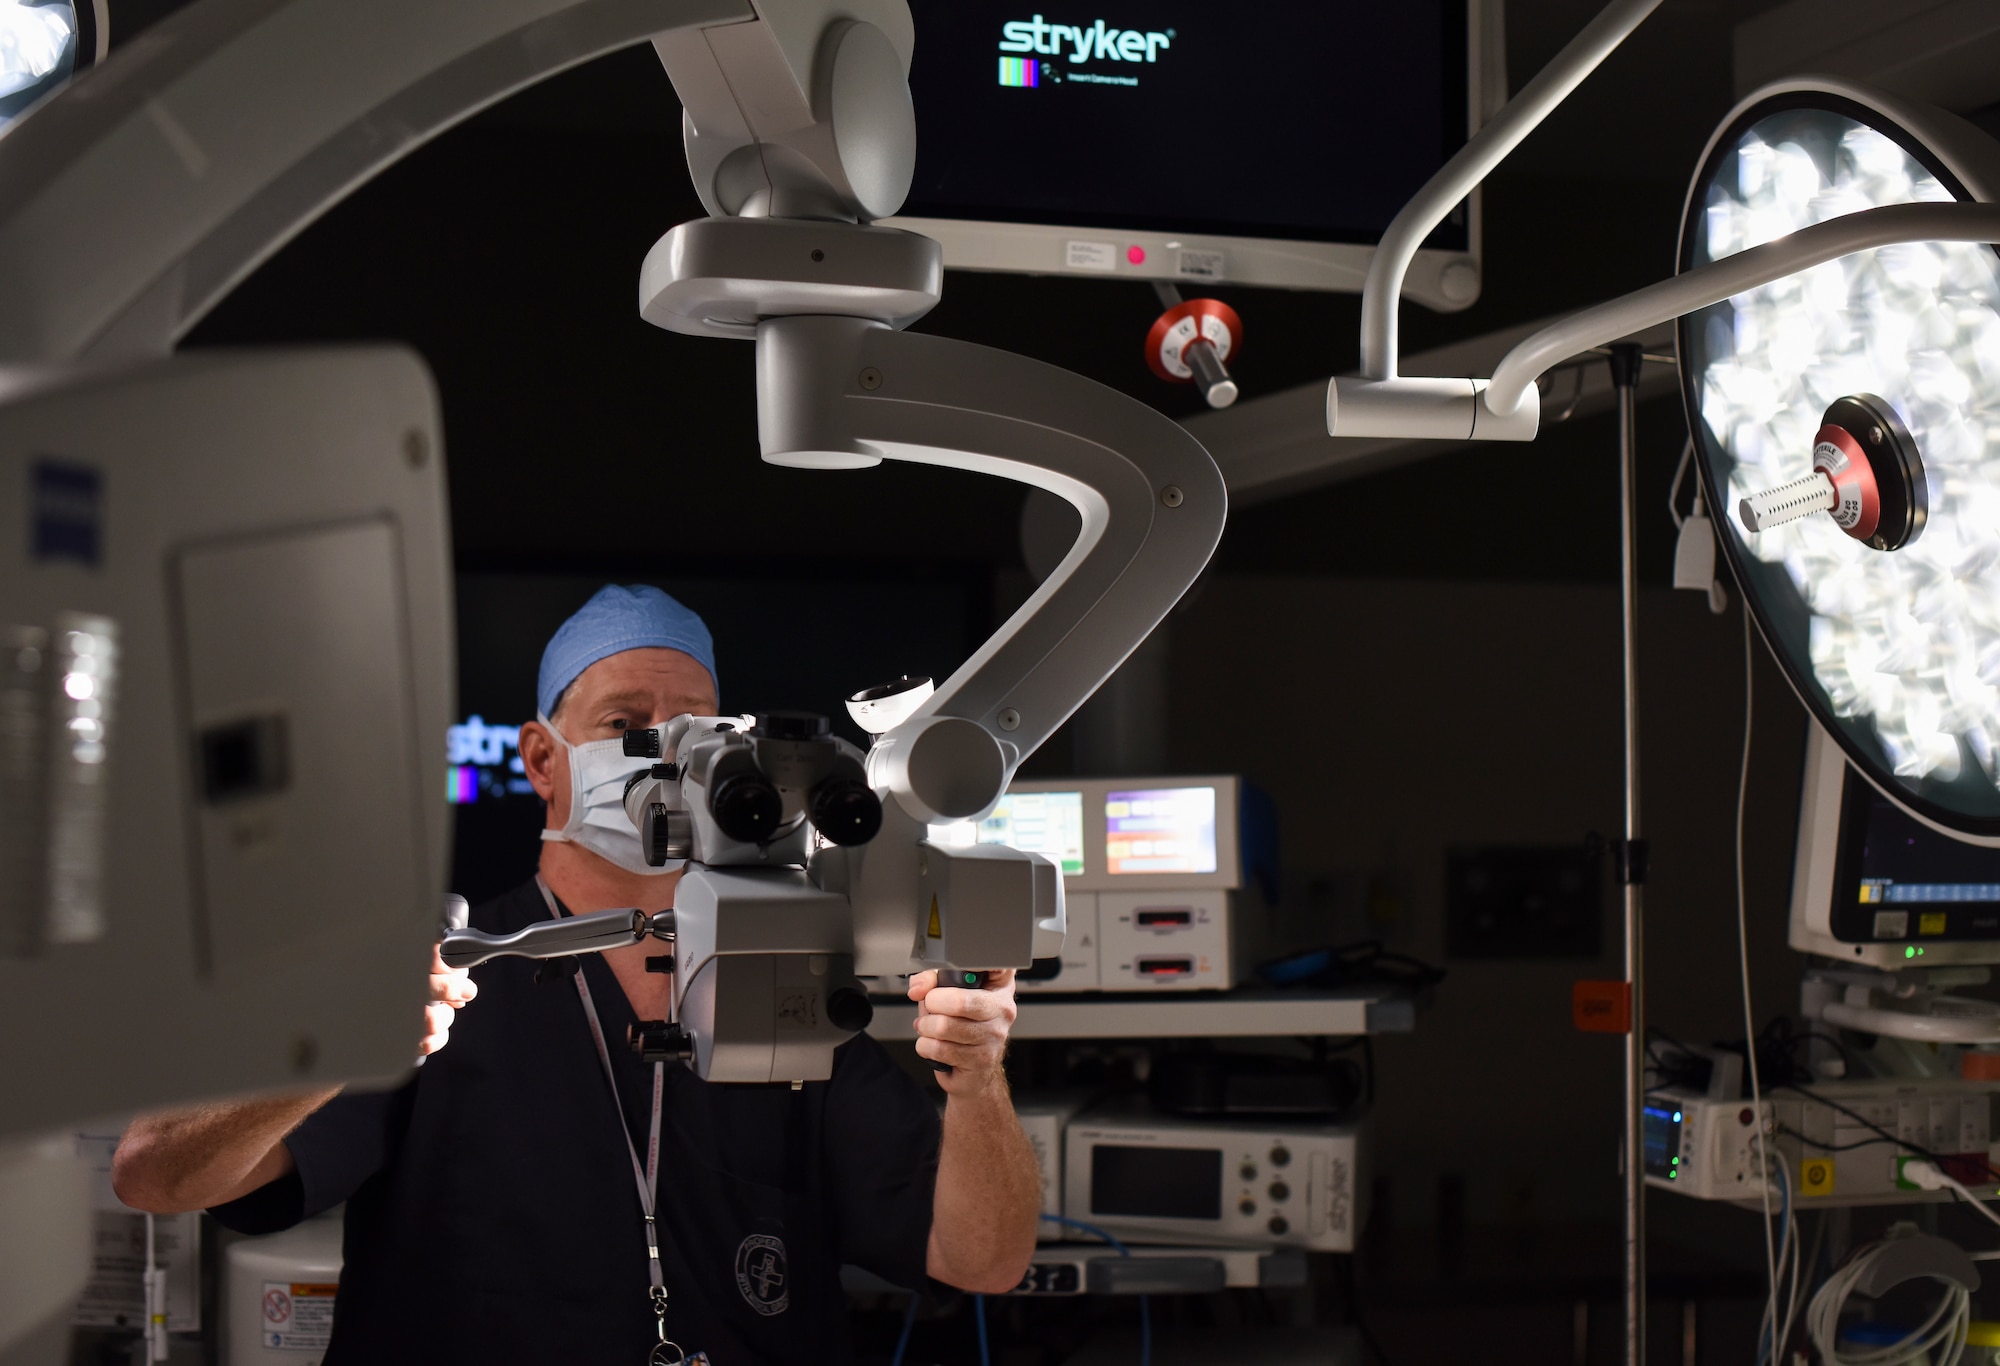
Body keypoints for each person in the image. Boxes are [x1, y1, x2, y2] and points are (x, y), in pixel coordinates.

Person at [113, 585, 1041, 1364]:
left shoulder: (789, 983)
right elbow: (155, 1173)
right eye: (624, 725)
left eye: (692, 729)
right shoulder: (443, 975)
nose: (666, 756)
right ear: (542, 760)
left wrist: (977, 1074)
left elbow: (983, 1259)